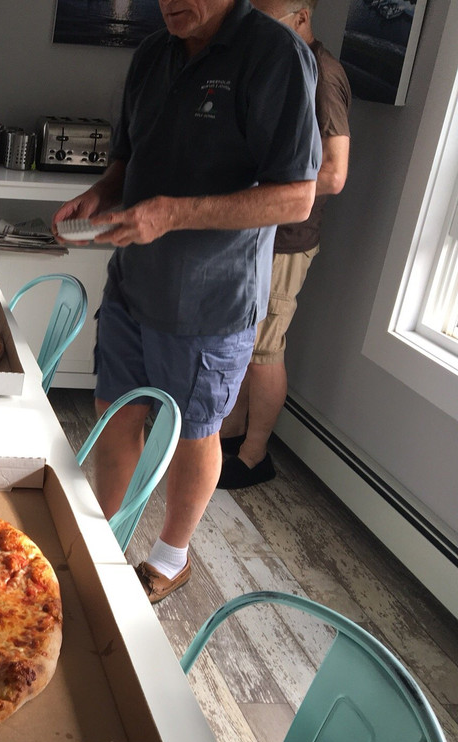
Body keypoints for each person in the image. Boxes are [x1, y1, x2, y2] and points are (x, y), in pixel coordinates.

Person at [53, 0, 321, 603]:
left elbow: (296, 197)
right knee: (114, 410)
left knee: (195, 429)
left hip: (210, 297)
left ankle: (171, 558)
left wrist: (175, 213)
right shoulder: (153, 52)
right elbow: (128, 159)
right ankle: (103, 537)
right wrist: (101, 194)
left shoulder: (275, 56)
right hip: (133, 281)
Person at [217, 0, 351, 489]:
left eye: (269, 23)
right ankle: (232, 434)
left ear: (302, 17)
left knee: (265, 348)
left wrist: (267, 191)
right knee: (246, 341)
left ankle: (254, 456)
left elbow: (334, 174)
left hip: (289, 239)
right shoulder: (284, 64)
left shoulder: (323, 74)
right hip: (262, 232)